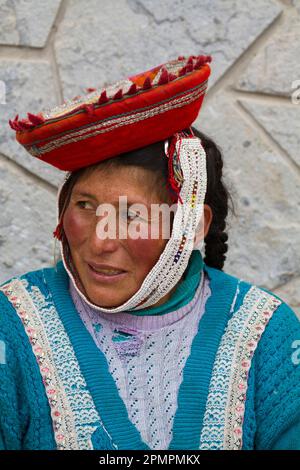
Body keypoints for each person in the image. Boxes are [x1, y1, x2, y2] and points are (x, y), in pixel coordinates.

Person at [1, 55, 299, 451]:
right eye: (86, 206)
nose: (101, 242)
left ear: (192, 227)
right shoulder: (13, 325)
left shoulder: (265, 334)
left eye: (132, 215)